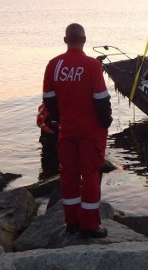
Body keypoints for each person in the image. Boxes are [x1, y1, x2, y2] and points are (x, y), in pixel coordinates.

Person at [42, 23, 112, 238]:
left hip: (67, 129)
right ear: (84, 39)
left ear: (65, 40)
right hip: (90, 131)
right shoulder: (91, 65)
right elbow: (101, 99)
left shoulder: (53, 65)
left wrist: (59, 119)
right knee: (90, 174)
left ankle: (71, 221)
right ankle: (90, 225)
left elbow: (48, 99)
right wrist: (106, 122)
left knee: (69, 173)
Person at [36, 102, 60, 179]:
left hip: (58, 134)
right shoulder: (44, 108)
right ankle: (47, 177)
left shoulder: (63, 105)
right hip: (48, 135)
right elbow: (40, 121)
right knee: (48, 156)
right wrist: (48, 130)